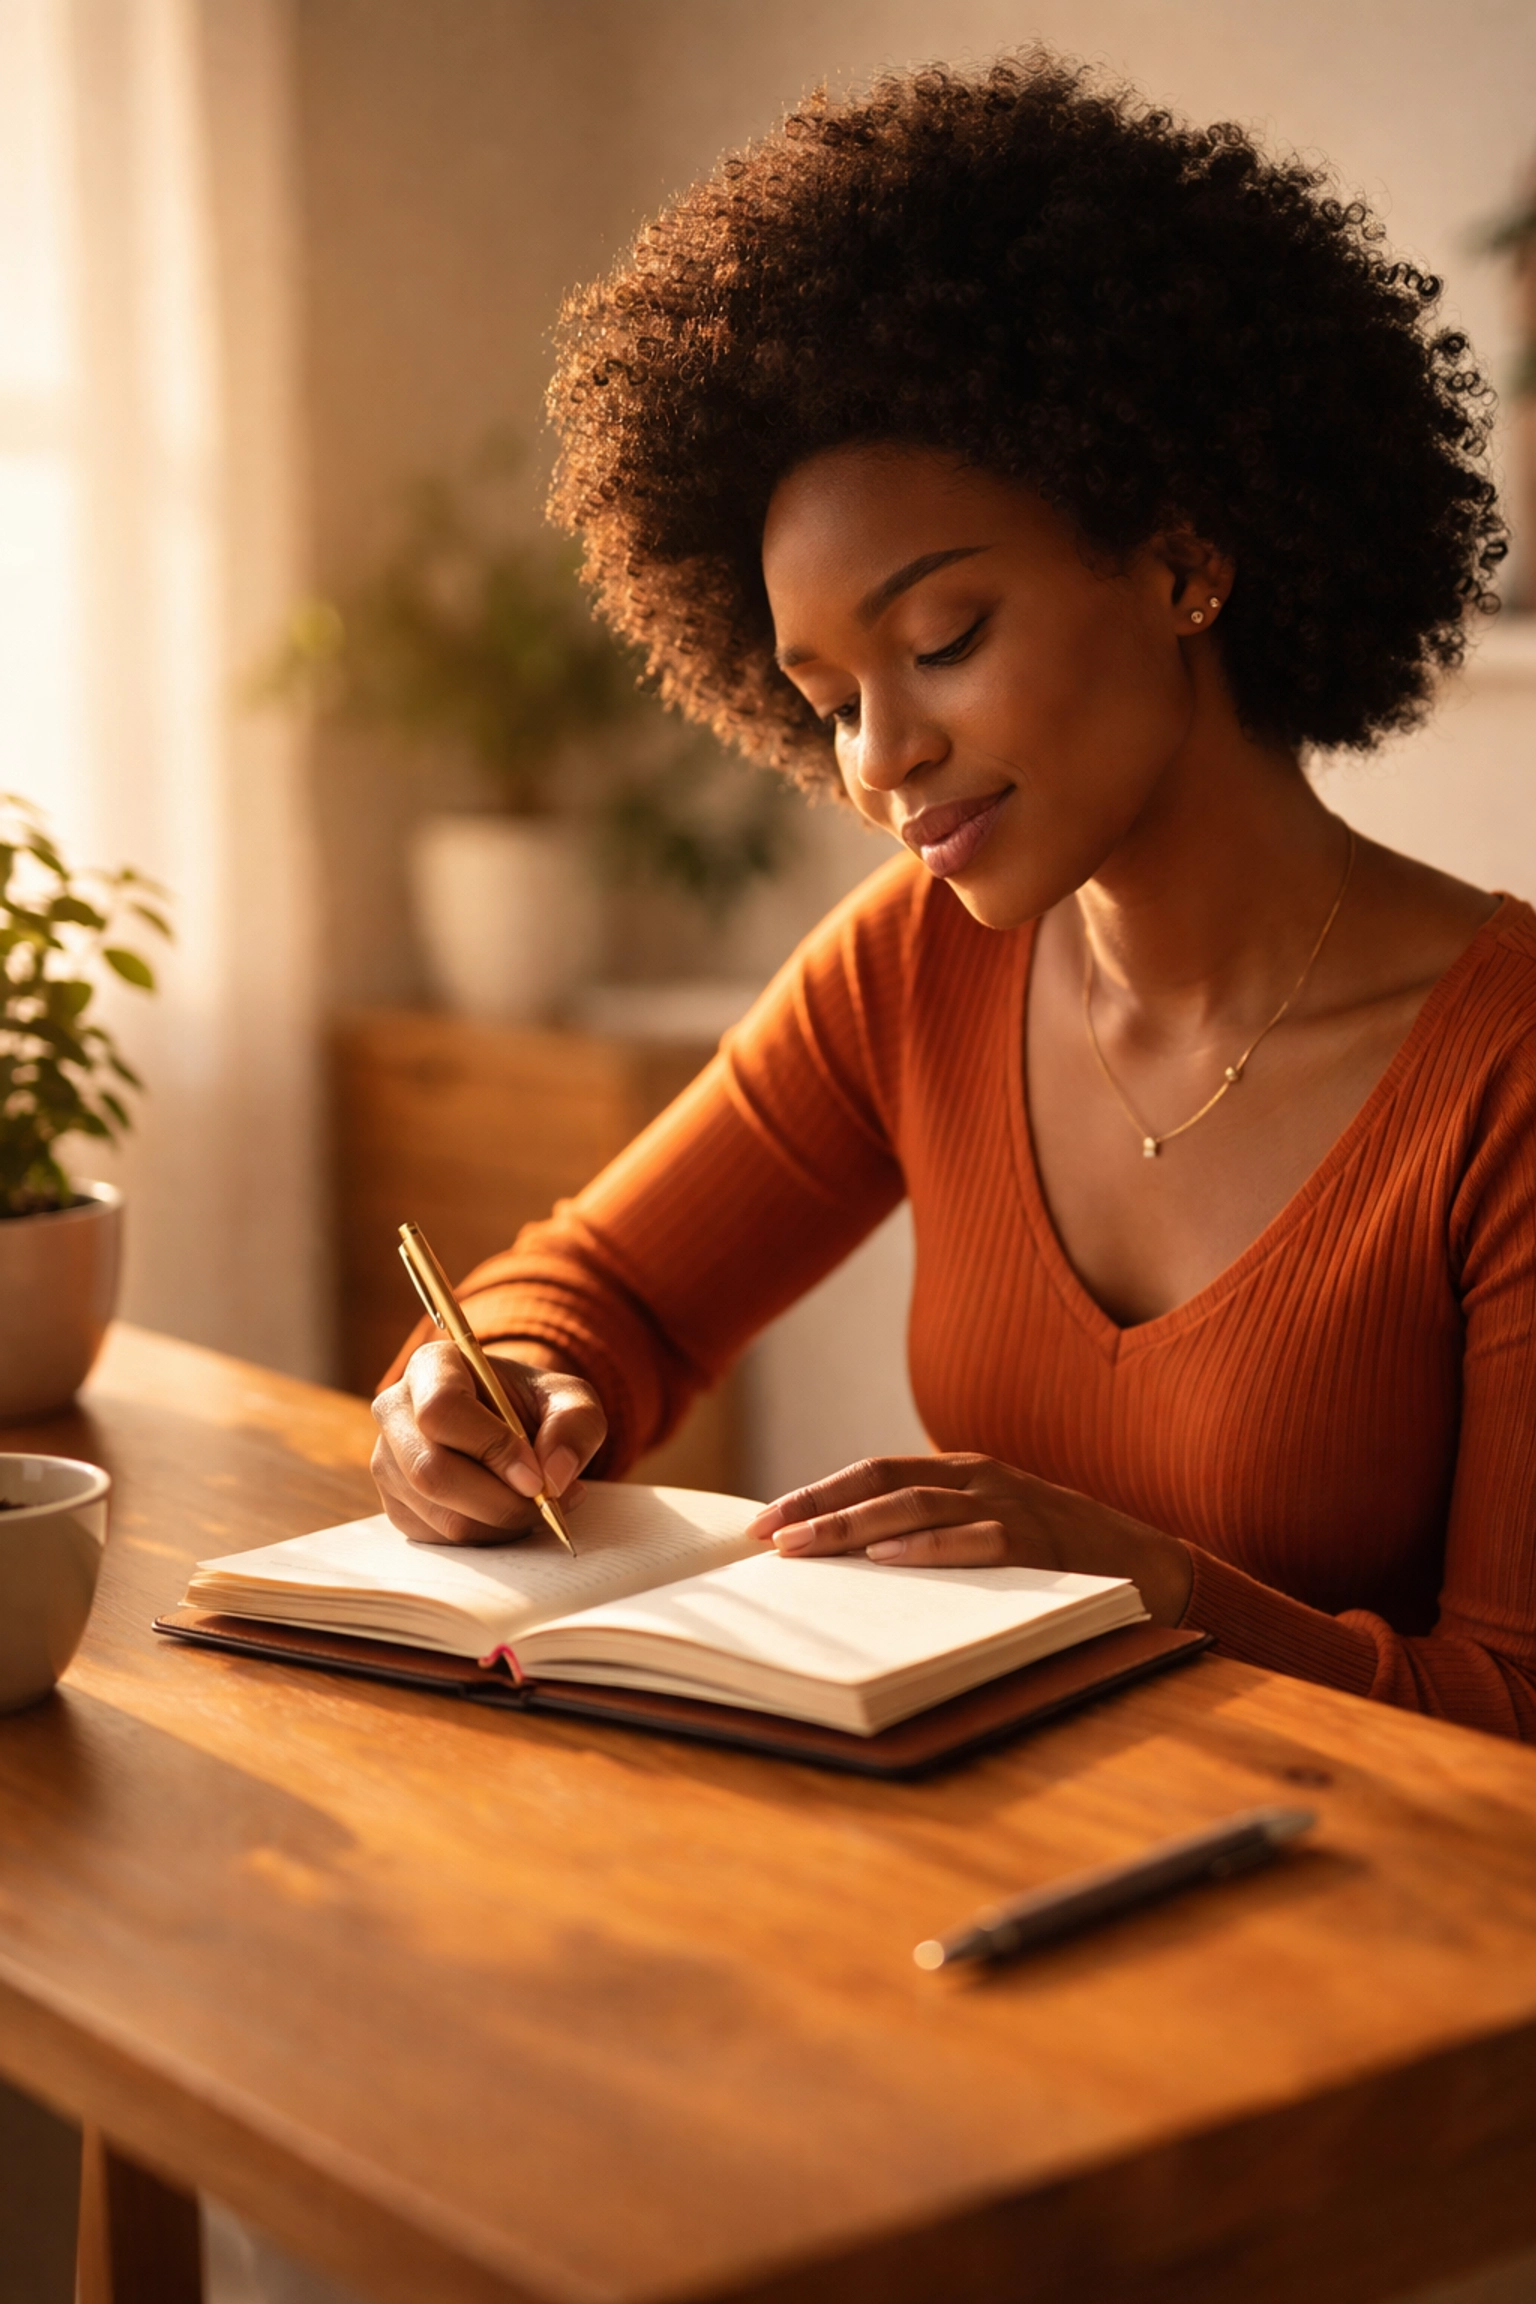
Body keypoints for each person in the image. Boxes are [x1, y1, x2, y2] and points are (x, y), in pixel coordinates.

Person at [371, 55, 1536, 1737]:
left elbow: (1515, 1717)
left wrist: (1153, 1588)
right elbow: (598, 1292)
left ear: (1184, 563)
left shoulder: (1503, 1074)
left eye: (942, 644)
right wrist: (480, 1381)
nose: (878, 760)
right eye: (831, 696)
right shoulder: (915, 968)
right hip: (984, 1890)